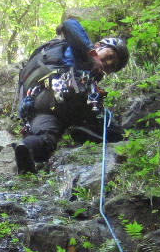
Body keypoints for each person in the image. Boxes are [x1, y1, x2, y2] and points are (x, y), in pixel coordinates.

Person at [13, 17, 128, 174]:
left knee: (47, 139)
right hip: (63, 96)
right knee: (112, 130)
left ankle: (25, 151)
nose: (108, 64)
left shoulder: (89, 72)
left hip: (41, 104)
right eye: (109, 56)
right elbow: (69, 24)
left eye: (112, 66)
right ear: (98, 46)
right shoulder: (83, 54)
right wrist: (91, 54)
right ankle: (82, 131)